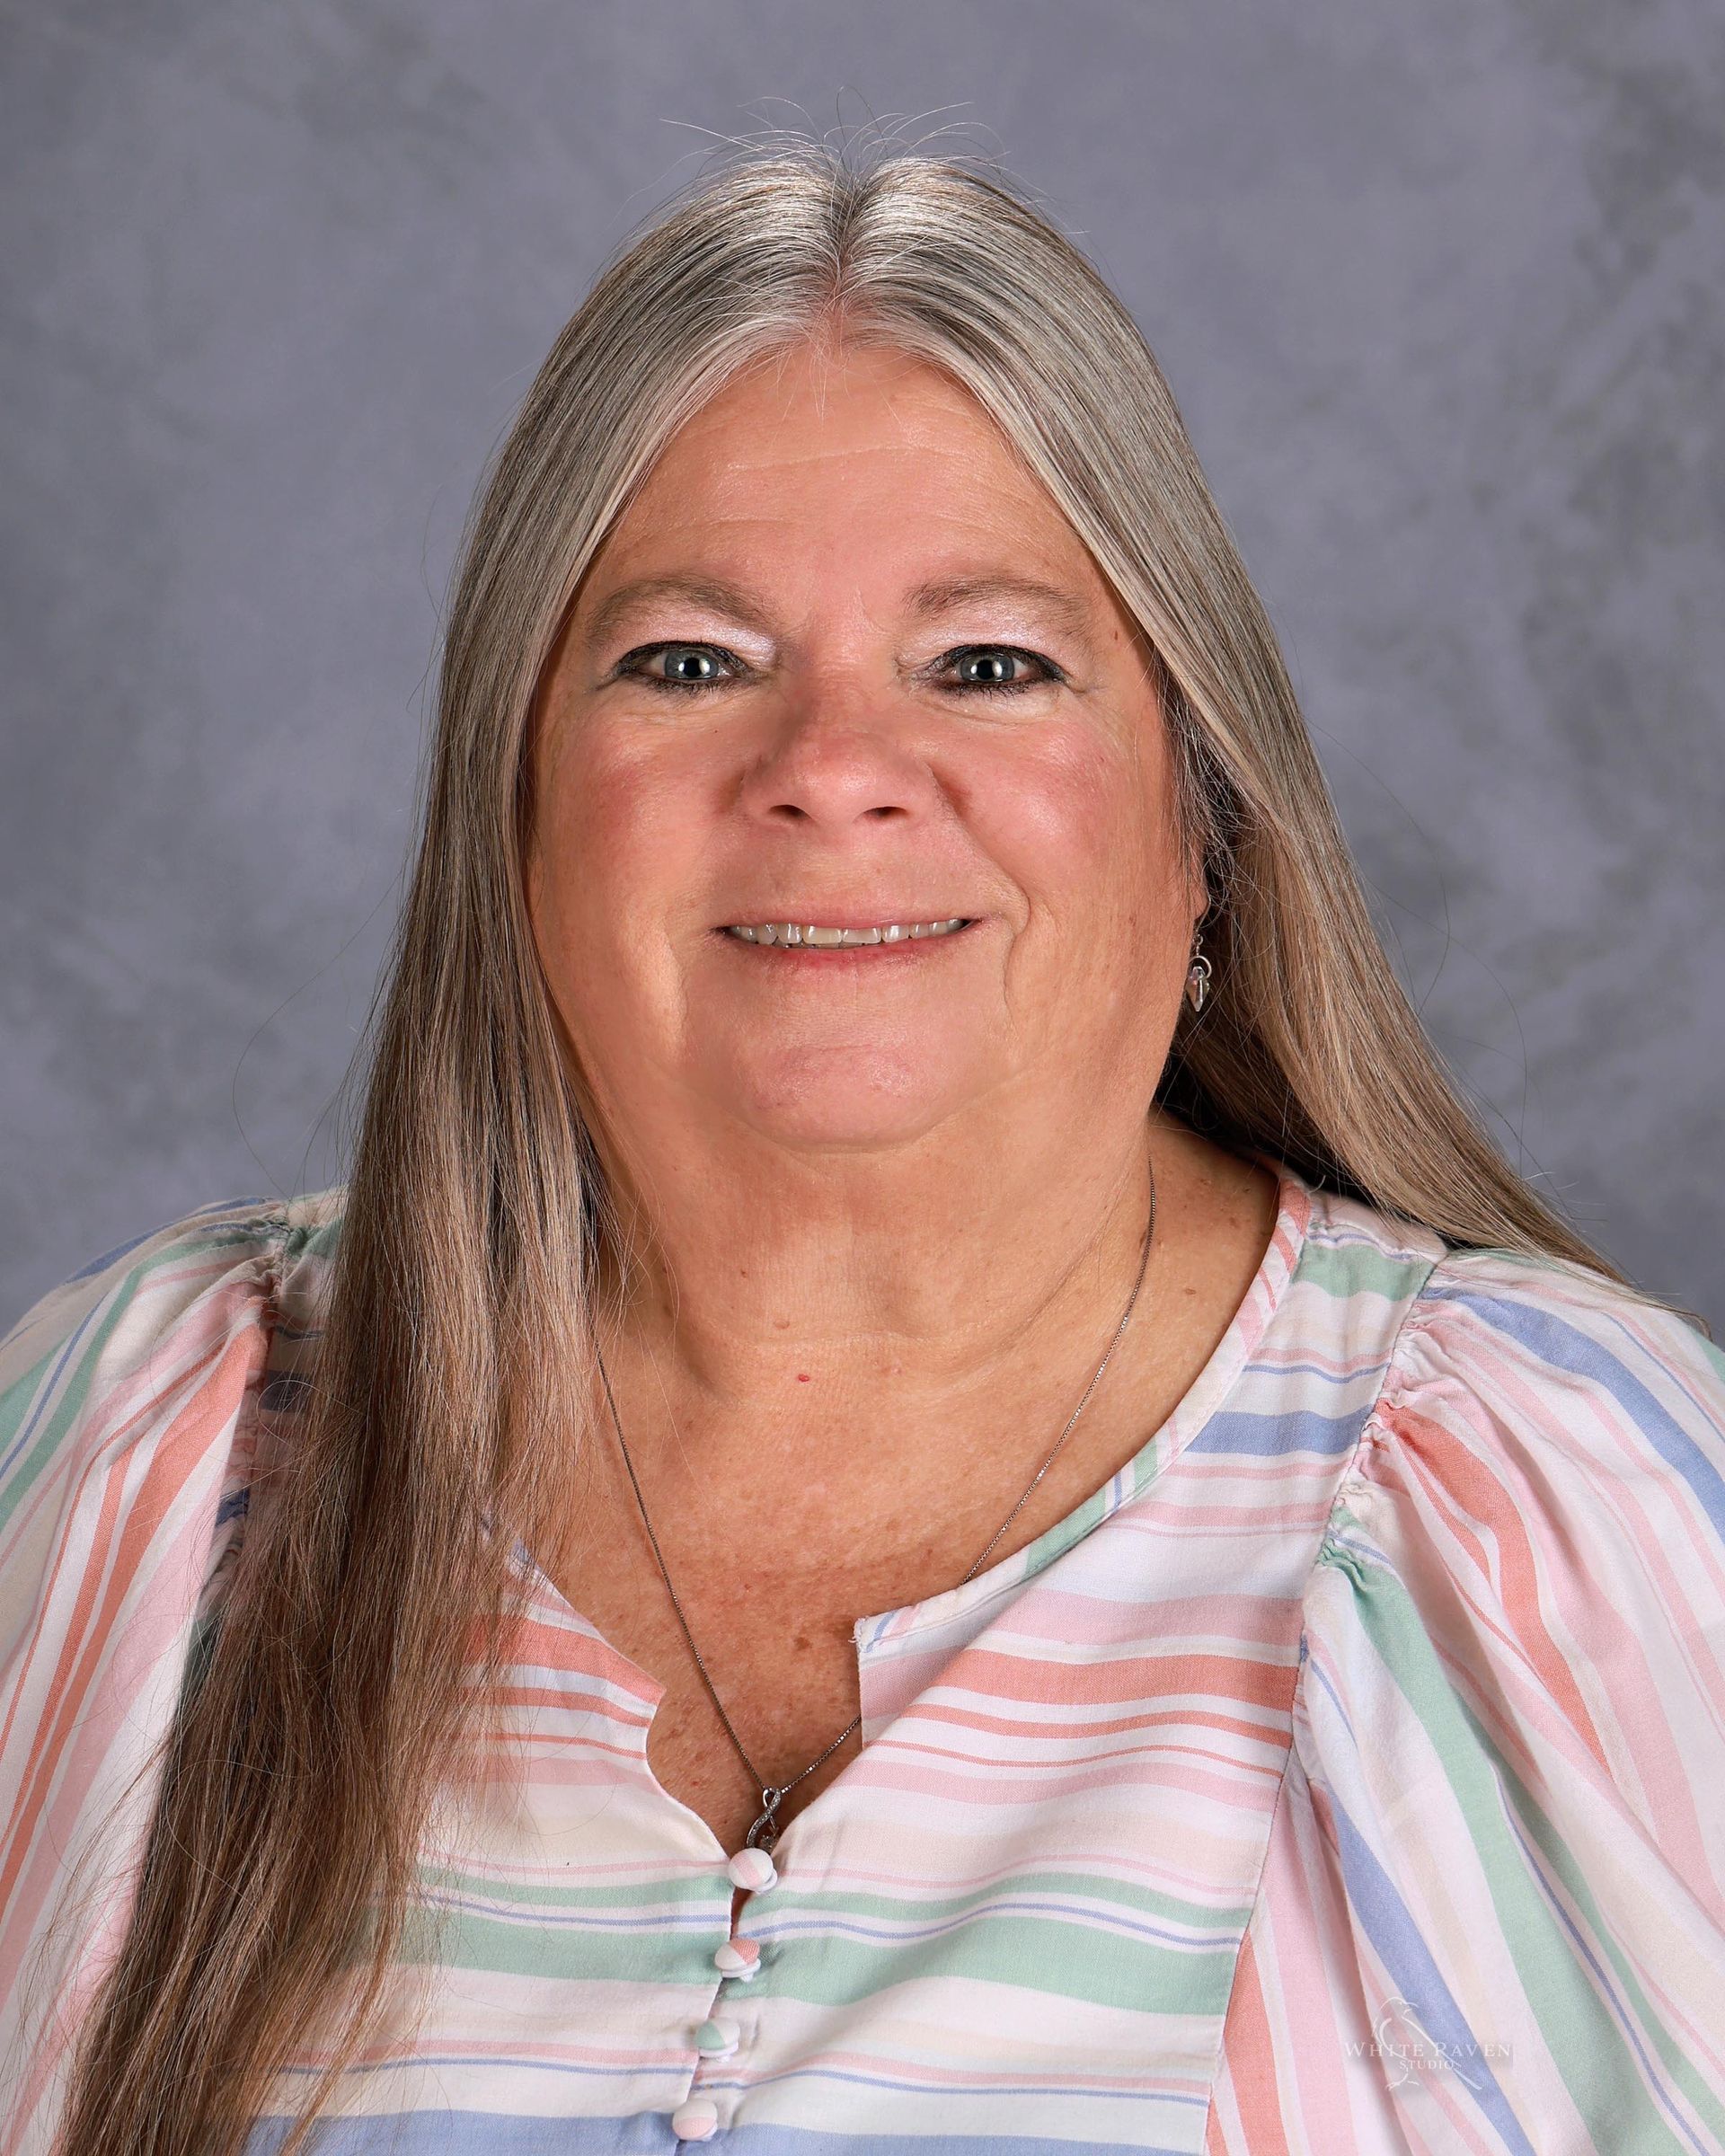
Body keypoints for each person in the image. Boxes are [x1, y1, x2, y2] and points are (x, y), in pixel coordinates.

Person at [3, 138, 1723, 2156]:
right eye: (688, 662)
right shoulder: (146, 1452)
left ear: (1201, 823)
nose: (829, 771)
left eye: (987, 663)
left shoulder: (1564, 1512)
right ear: (517, 808)